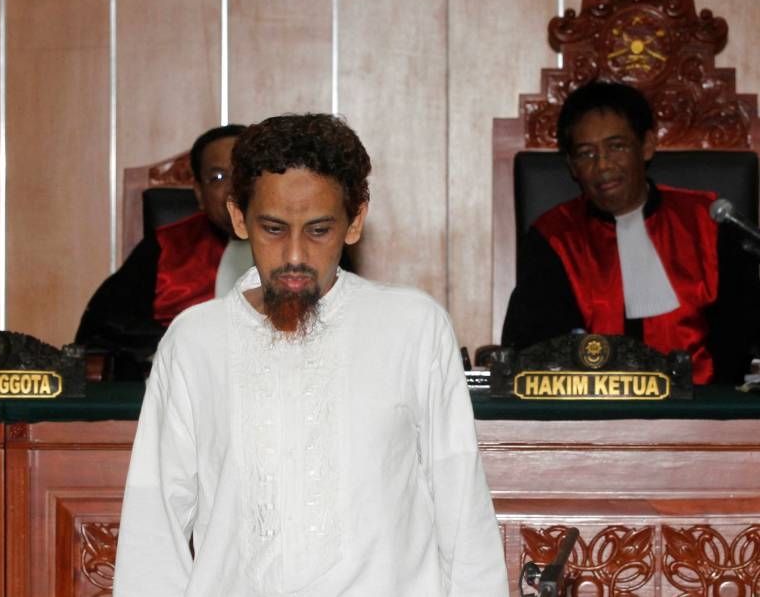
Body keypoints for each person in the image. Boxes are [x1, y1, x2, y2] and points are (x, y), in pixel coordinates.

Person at [114, 114, 508, 596]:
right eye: (274, 229)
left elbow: (462, 508)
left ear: (355, 221)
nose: (295, 256)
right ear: (239, 217)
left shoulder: (413, 326)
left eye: (319, 231)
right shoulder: (195, 341)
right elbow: (154, 529)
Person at [502, 80, 760, 384]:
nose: (603, 165)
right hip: (592, 416)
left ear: (647, 145)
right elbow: (535, 351)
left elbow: (740, 336)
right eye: (586, 153)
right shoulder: (553, 238)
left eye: (616, 147)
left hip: (703, 412)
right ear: (572, 166)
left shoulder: (709, 224)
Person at [74, 124, 251, 372]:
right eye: (218, 178)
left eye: (245, 173)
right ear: (199, 194)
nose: (235, 189)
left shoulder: (297, 245)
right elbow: (101, 334)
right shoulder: (165, 248)